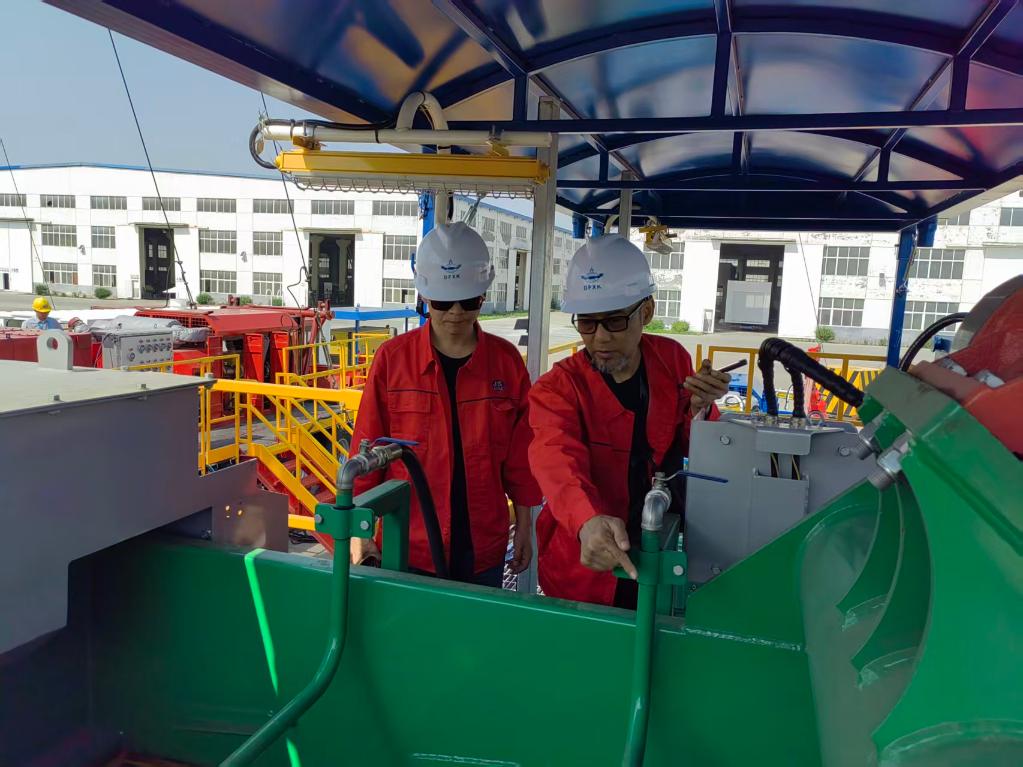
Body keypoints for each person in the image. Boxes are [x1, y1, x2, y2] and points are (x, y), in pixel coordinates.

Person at [528, 234, 731, 607]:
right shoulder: (558, 388)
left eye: (615, 321)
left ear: (646, 312)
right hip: (587, 561)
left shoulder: (671, 360)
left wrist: (700, 409)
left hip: (660, 548)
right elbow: (555, 460)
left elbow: (691, 444)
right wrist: (587, 522)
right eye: (587, 324)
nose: (601, 338)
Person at [350, 222, 541, 586]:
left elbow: (520, 462)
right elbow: (367, 448)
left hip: (482, 548)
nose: (455, 312)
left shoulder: (506, 364)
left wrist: (525, 526)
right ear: (424, 296)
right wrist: (359, 532)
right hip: (408, 546)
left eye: (468, 301)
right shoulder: (393, 361)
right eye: (442, 302)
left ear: (483, 295)